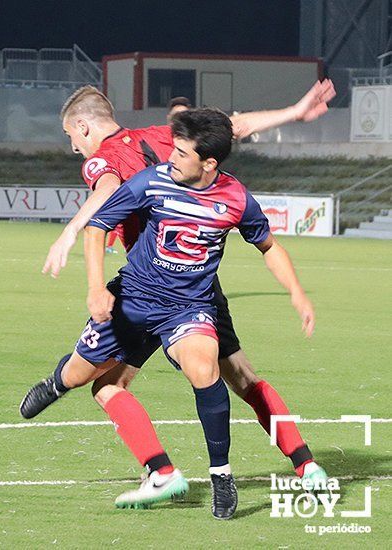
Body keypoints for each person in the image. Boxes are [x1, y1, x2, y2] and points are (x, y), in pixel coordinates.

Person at [27, 81, 334, 483]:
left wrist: (70, 231)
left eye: (71, 136)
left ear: (83, 127)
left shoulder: (100, 159)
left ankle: (158, 467)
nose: (73, 147)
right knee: (241, 377)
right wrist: (294, 112)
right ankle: (305, 464)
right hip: (196, 287)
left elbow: (107, 188)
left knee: (106, 386)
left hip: (149, 287)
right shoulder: (164, 135)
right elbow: (234, 126)